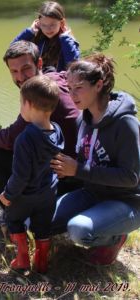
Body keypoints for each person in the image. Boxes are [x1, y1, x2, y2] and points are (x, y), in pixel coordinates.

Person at [0, 40, 79, 226]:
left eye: (25, 68)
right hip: (64, 164)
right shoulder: (53, 80)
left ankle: (13, 217)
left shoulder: (39, 95)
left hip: (68, 175)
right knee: (3, 153)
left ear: (39, 64)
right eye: (14, 71)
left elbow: (12, 137)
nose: (20, 77)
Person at [50, 53, 140, 265]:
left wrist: (78, 170)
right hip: (92, 192)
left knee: (78, 230)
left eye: (78, 87)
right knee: (39, 221)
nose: (72, 95)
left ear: (98, 85)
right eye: (69, 88)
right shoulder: (84, 119)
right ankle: (98, 220)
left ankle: (114, 238)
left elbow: (131, 177)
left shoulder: (126, 124)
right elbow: (83, 161)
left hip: (127, 201)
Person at [0, 75, 64, 273]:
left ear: (27, 104)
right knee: (42, 226)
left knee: (13, 220)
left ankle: (22, 260)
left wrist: (8, 195)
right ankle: (41, 262)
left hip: (26, 195)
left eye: (21, 102)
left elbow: (20, 176)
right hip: (48, 193)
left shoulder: (25, 138)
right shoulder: (57, 132)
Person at [12, 1, 80, 72]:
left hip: (59, 82)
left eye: (52, 25)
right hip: (37, 80)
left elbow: (74, 68)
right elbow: (12, 52)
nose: (48, 29)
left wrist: (65, 39)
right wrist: (29, 31)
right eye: (44, 25)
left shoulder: (68, 41)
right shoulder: (36, 37)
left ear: (62, 23)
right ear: (38, 23)